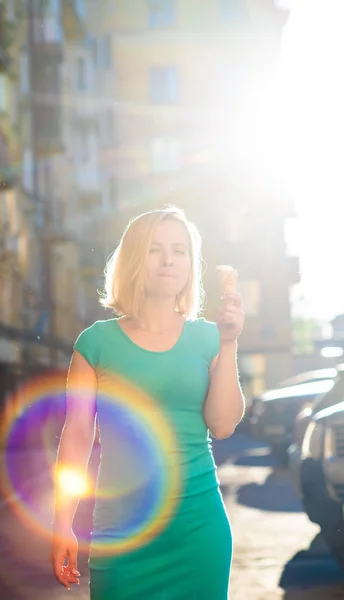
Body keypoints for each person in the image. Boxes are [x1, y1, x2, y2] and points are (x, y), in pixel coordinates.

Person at [50, 206, 245, 599]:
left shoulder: (211, 338)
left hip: (198, 532)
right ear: (135, 258)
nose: (169, 259)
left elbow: (222, 425)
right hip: (122, 538)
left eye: (180, 250)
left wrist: (230, 342)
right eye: (155, 249)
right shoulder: (95, 343)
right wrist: (61, 521)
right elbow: (77, 439)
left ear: (192, 263)